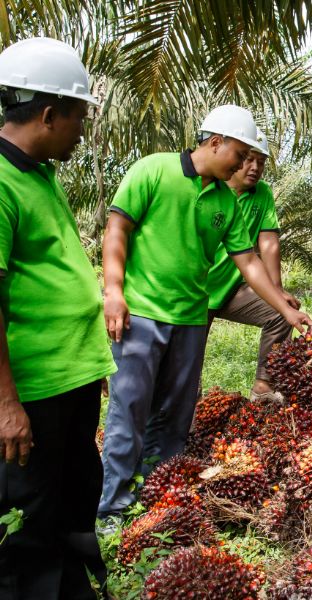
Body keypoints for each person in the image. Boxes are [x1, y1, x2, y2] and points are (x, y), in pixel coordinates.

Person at [98, 105, 312, 522]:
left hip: (191, 321)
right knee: (130, 411)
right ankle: (112, 507)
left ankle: (158, 494)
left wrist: (282, 307)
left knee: (175, 415)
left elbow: (248, 262)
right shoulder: (153, 171)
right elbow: (117, 229)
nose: (243, 164)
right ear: (216, 142)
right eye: (240, 153)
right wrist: (113, 291)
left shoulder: (225, 202)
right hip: (141, 314)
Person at [0, 38, 115, 598]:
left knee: (75, 495)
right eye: (79, 118)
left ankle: (73, 586)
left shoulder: (38, 173)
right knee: (33, 515)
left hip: (69, 378)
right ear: (49, 114)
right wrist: (6, 404)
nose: (82, 131)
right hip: (33, 389)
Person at [205, 129, 297, 402]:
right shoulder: (211, 189)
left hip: (234, 289)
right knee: (186, 367)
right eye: (248, 159)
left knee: (281, 312)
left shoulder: (262, 194)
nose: (255, 167)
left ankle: (263, 387)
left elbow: (268, 243)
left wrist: (277, 290)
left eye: (261, 161)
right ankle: (187, 422)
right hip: (198, 292)